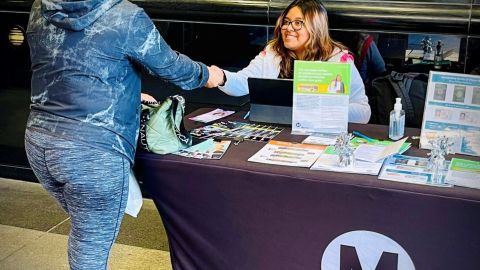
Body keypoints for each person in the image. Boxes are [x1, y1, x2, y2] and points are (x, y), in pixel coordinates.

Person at [24, 0, 223, 269]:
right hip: (92, 151)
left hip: (40, 141)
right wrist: (208, 74)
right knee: (91, 242)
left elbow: (64, 64)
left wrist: (123, 93)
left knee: (87, 230)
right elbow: (171, 67)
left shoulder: (42, 7)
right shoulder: (125, 16)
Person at [211, 0, 371, 123]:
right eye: (286, 22)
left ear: (315, 27)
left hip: (320, 139)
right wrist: (221, 77)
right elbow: (243, 82)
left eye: (298, 23)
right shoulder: (273, 52)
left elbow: (363, 112)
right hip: (278, 132)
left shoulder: (337, 60)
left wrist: (327, 109)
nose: (288, 28)